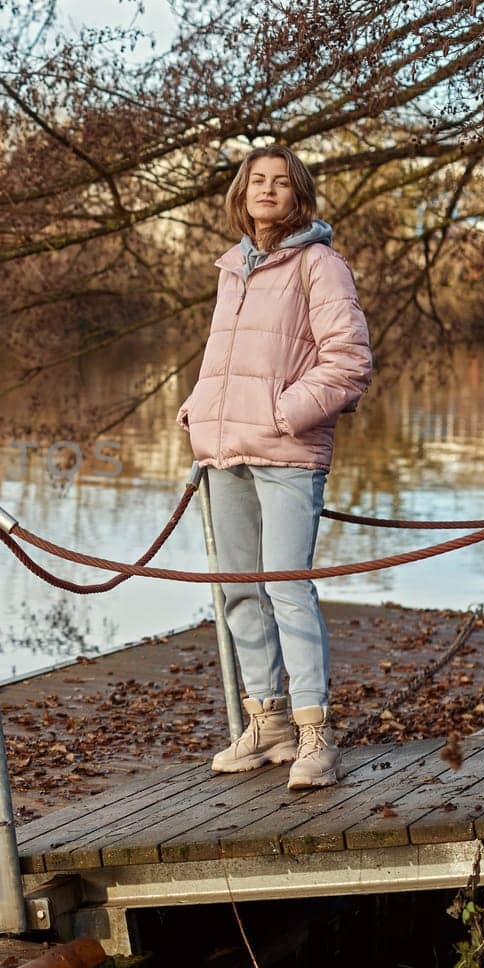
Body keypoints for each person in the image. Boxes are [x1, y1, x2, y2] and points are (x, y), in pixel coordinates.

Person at [176, 143, 373, 789]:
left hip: (287, 451)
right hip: (226, 450)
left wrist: (283, 415)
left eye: (280, 182)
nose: (267, 190)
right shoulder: (234, 267)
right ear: (242, 193)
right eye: (257, 180)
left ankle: (318, 736)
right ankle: (268, 725)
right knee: (239, 591)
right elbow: (225, 360)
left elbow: (348, 363)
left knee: (288, 588)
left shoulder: (320, 264)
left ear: (298, 196)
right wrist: (200, 410)